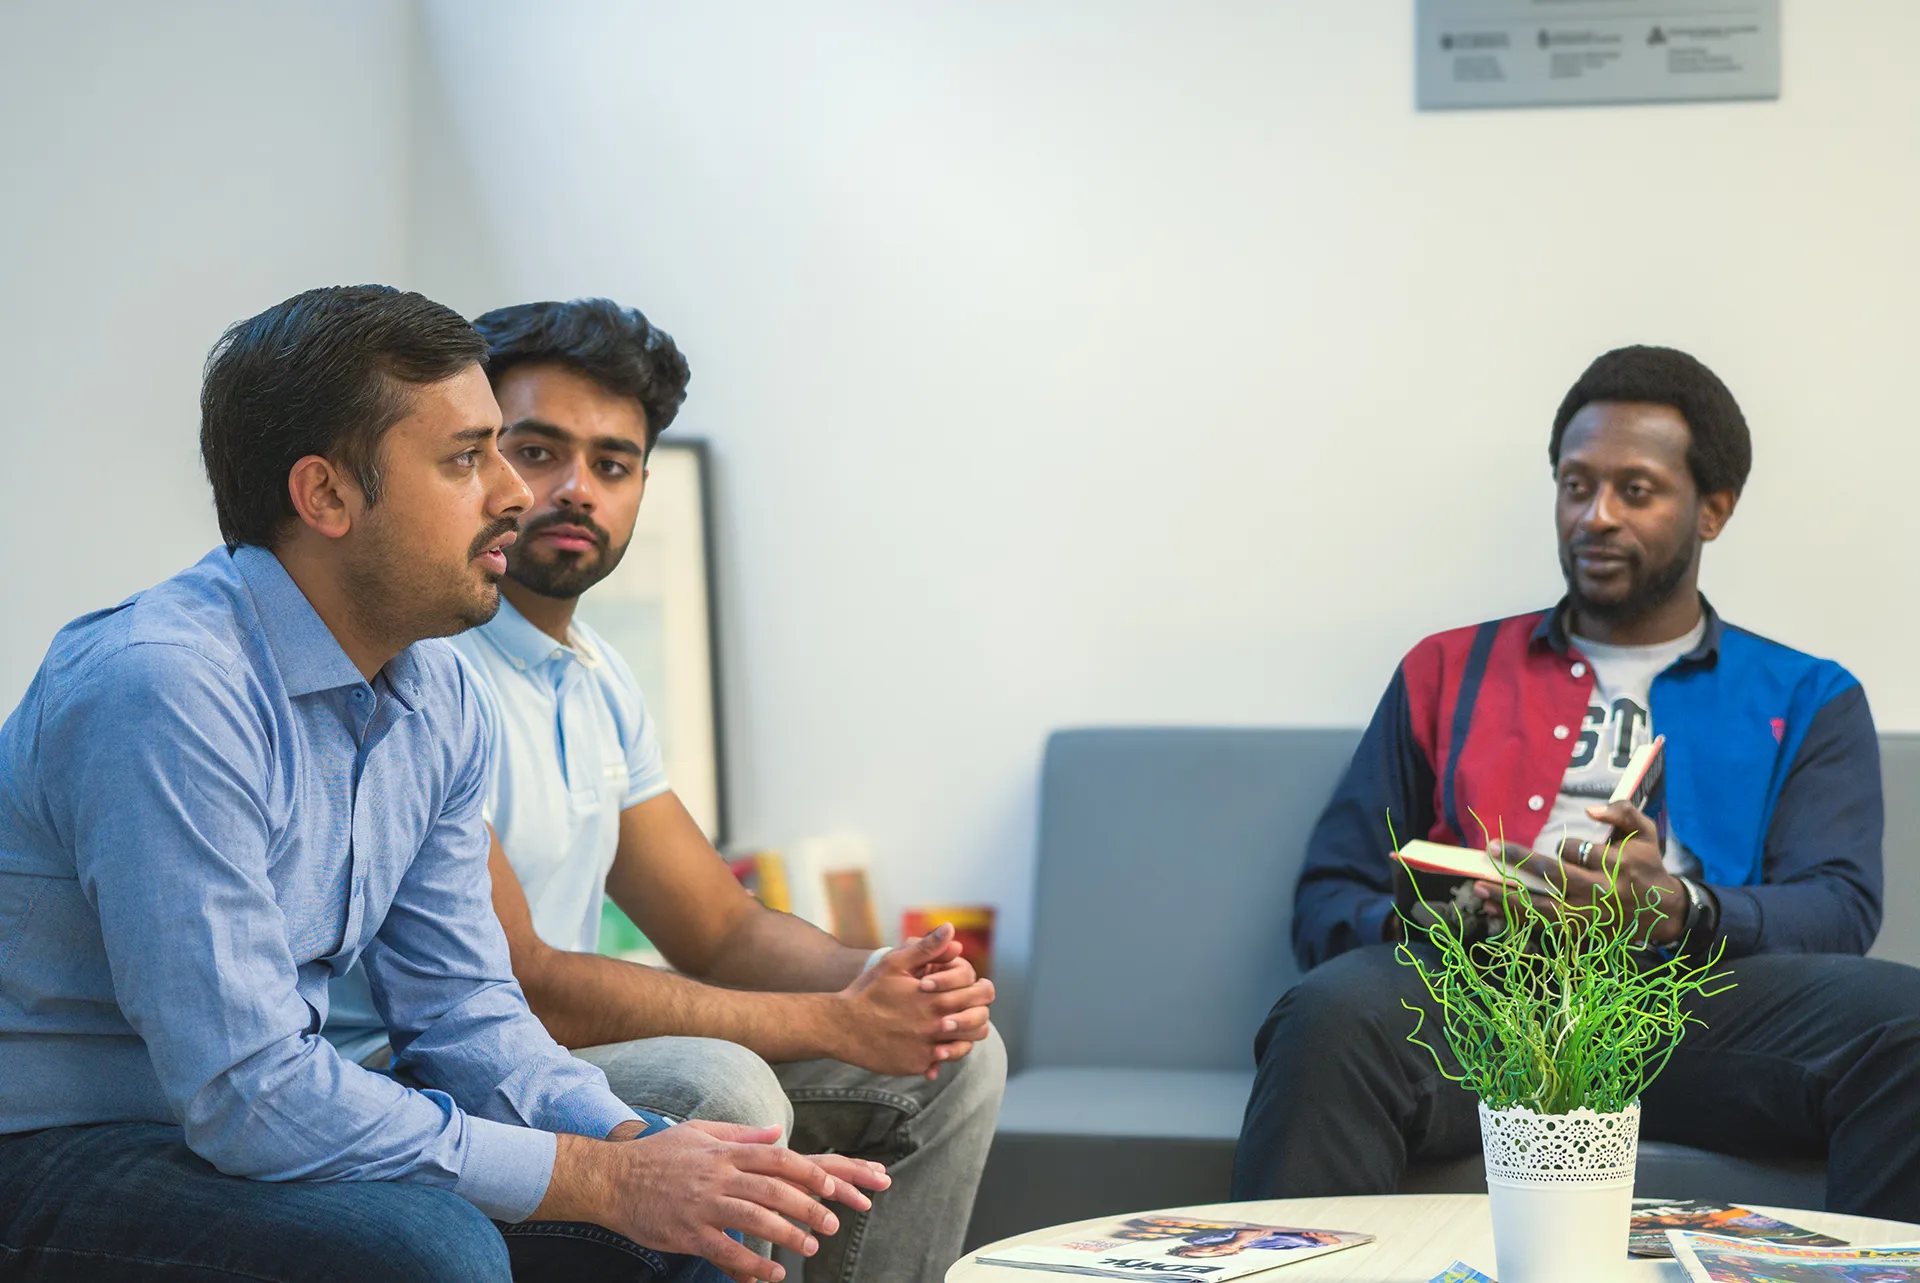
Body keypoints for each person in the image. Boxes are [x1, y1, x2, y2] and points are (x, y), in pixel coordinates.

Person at [0, 286, 886, 1283]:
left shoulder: (433, 691)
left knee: (700, 1214)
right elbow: (248, 1094)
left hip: (234, 1130)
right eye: (469, 457)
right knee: (431, 1251)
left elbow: (469, 1017)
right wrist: (600, 1175)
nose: (513, 492)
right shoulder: (167, 686)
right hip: (66, 1143)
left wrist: (640, 1142)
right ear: (326, 496)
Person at [324, 298, 1005, 1282]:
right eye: (536, 449)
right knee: (717, 1086)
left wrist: (884, 979)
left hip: (553, 1054)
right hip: (423, 1070)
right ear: (475, 458)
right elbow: (525, 982)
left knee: (956, 1056)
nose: (574, 489)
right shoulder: (431, 667)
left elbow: (721, 928)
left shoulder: (594, 674)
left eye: (612, 463)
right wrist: (831, 1020)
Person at [1232, 345, 1920, 1220]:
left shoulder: (1807, 695)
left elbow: (1839, 905)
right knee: (1329, 1015)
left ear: (1714, 509)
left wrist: (1676, 906)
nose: (1595, 516)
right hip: (1483, 1007)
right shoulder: (1444, 670)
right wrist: (1447, 919)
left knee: (1909, 1023)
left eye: (1636, 490)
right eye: (1574, 484)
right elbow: (1330, 895)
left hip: (1691, 1014)